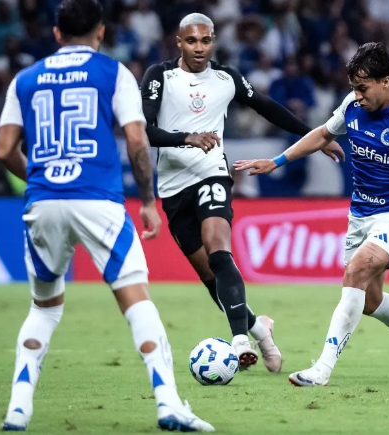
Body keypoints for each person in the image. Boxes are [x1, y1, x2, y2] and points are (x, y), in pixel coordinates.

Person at [0, 0, 213, 431]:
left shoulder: (24, 79)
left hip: (43, 201)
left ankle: (18, 408)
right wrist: (149, 201)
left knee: (43, 308)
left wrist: (41, 177)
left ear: (56, 34)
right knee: (136, 301)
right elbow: (136, 142)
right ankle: (169, 404)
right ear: (100, 32)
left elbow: (4, 150)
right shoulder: (114, 73)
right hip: (98, 200)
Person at [235, 42, 389, 387]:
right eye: (354, 87)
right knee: (370, 301)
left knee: (355, 271)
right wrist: (277, 161)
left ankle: (322, 369)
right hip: (360, 215)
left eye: (363, 87)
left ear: (386, 80)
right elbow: (323, 133)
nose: (357, 95)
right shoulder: (352, 105)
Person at [140, 13, 340, 372]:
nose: (198, 48)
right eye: (191, 41)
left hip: (212, 172)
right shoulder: (160, 76)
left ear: (213, 40)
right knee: (210, 278)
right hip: (172, 187)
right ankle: (260, 329)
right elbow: (144, 130)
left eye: (205, 41)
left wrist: (316, 137)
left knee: (219, 248)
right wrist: (187, 137)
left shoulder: (226, 78)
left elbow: (267, 108)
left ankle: (239, 341)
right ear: (179, 42)